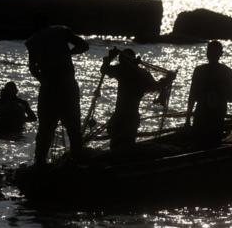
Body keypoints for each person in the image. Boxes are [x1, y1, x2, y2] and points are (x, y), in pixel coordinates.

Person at [25, 22, 89, 164]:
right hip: (68, 87)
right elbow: (84, 46)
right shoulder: (62, 31)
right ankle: (77, 160)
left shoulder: (32, 41)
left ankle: (39, 163)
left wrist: (43, 80)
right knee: (73, 128)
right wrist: (69, 53)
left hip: (49, 88)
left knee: (45, 129)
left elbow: (33, 68)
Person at [101, 48, 175, 151]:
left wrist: (109, 58)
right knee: (126, 146)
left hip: (121, 117)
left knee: (117, 146)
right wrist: (168, 79)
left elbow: (104, 69)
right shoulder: (140, 73)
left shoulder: (122, 70)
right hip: (129, 117)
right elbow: (156, 86)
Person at [185, 40, 232, 147]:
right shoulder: (226, 71)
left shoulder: (199, 71)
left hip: (203, 119)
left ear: (207, 54)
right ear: (221, 54)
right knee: (213, 145)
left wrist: (187, 120)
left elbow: (192, 97)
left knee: (199, 146)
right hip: (216, 119)